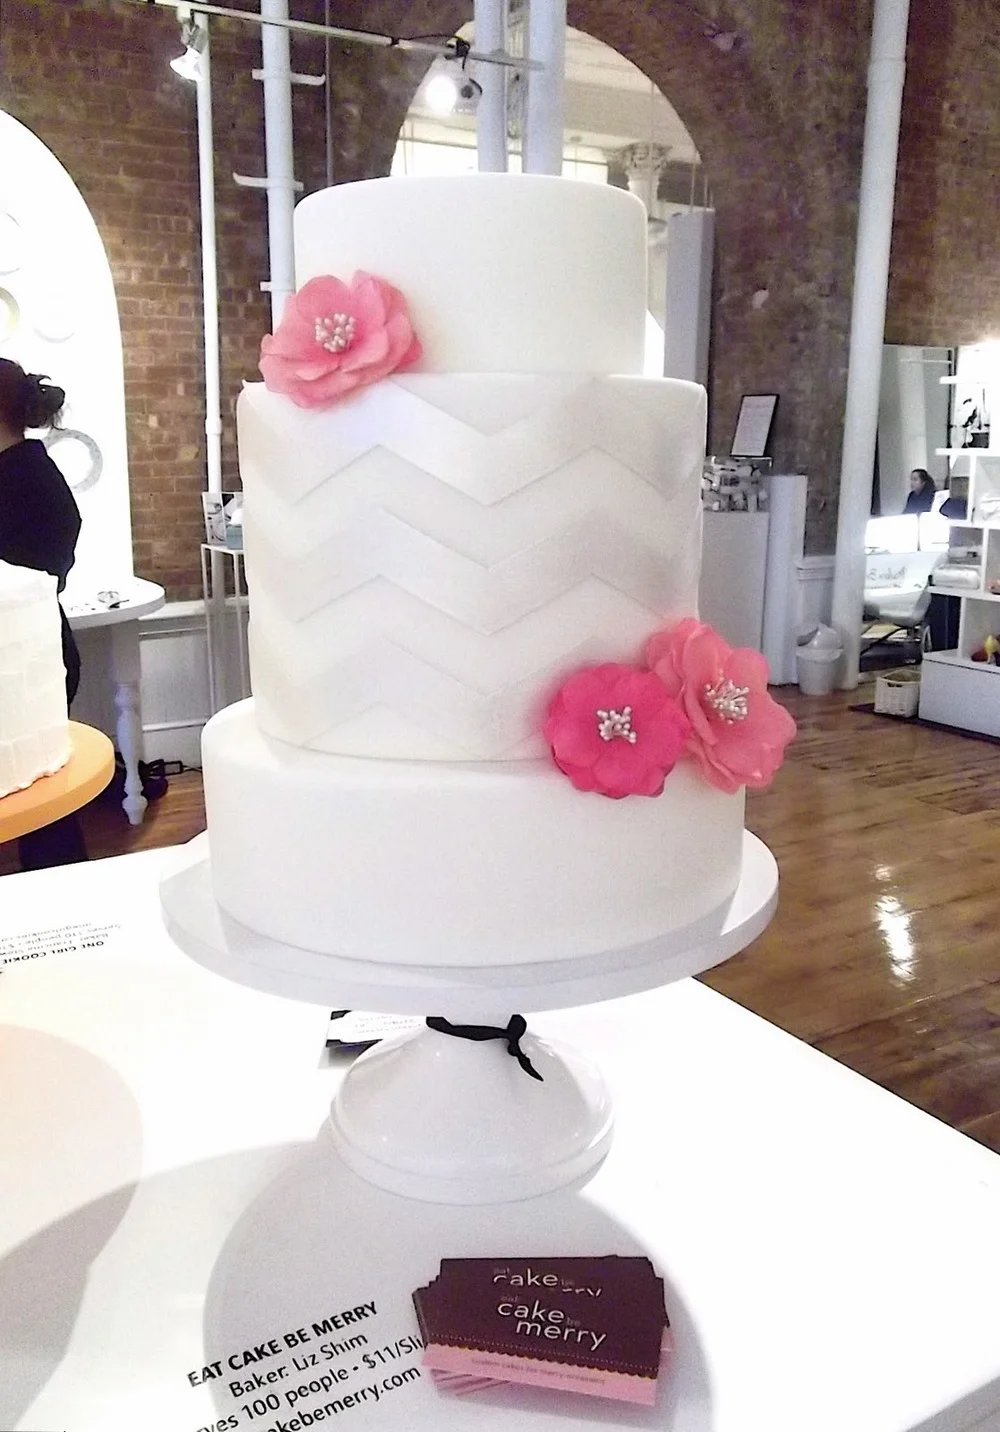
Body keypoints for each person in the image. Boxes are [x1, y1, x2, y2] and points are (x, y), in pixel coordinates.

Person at [0, 357, 86, 868]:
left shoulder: (23, 481)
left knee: (43, 810)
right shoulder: (28, 474)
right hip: (36, 653)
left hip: (27, 662)